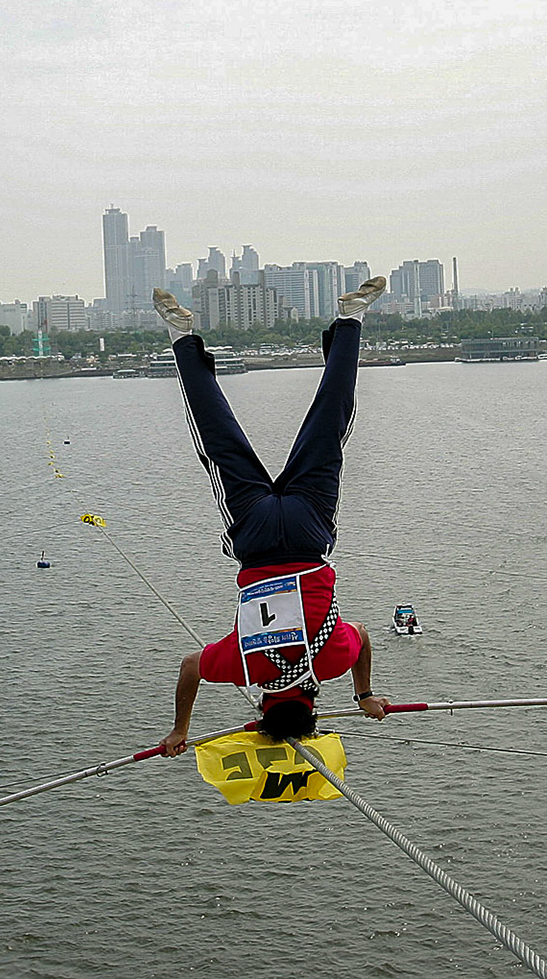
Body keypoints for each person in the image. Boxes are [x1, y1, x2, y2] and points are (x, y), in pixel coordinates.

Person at [155, 277, 394, 756]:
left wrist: (363, 692)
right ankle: (181, 335)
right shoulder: (245, 667)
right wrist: (180, 729)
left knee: (330, 426)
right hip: (256, 538)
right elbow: (188, 667)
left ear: (311, 701)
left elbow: (364, 637)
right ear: (263, 705)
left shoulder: (332, 661)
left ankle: (351, 318)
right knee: (218, 437)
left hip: (308, 531)